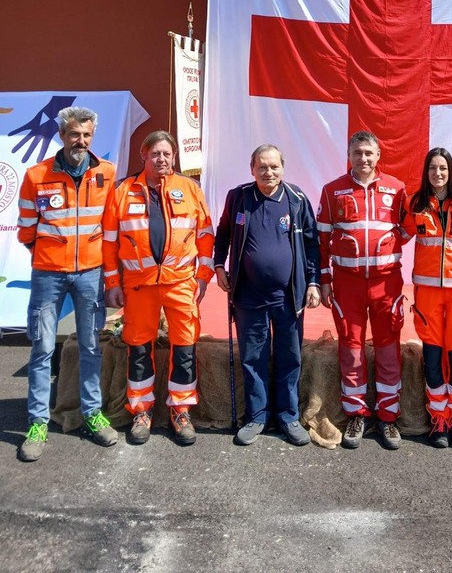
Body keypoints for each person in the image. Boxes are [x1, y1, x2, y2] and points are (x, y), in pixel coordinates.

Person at [16, 105, 118, 461]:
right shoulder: (36, 175)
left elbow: (110, 226)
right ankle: (37, 423)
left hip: (91, 274)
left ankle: (92, 415)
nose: (81, 141)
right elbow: (26, 230)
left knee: (90, 346)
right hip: (48, 274)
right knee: (42, 349)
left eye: (87, 135)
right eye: (75, 134)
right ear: (62, 135)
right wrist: (50, 253)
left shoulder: (106, 172)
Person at [102, 131, 214, 446]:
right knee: (139, 349)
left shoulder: (190, 189)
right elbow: (109, 242)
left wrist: (203, 275)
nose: (161, 159)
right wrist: (112, 282)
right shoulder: (123, 191)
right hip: (139, 287)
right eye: (155, 154)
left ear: (174, 157)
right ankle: (141, 412)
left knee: (185, 347)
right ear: (144, 156)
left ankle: (181, 411)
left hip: (180, 284)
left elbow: (205, 234)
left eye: (166, 154)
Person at [214, 145, 321, 447]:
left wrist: (313, 282)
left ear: (283, 168)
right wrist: (219, 266)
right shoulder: (238, 197)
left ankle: (288, 415)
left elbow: (313, 245)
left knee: (290, 357)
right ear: (252, 169)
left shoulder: (297, 199)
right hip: (248, 296)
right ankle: (257, 416)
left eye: (274, 167)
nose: (268, 172)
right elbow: (222, 234)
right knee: (253, 358)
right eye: (262, 166)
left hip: (287, 297)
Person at [317, 130, 408, 450]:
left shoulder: (397, 190)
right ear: (349, 155)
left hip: (387, 283)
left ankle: (389, 416)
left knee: (387, 347)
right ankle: (356, 413)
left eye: (369, 153)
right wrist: (325, 280)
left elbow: (407, 231)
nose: (363, 159)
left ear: (378, 156)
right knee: (351, 347)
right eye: (357, 153)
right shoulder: (332, 190)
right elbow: (322, 242)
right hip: (347, 285)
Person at [402, 148, 452, 448]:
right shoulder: (415, 204)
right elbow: (398, 235)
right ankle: (439, 419)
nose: (438, 174)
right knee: (432, 358)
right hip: (428, 293)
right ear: (426, 172)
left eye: (443, 168)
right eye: (433, 168)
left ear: (451, 171)